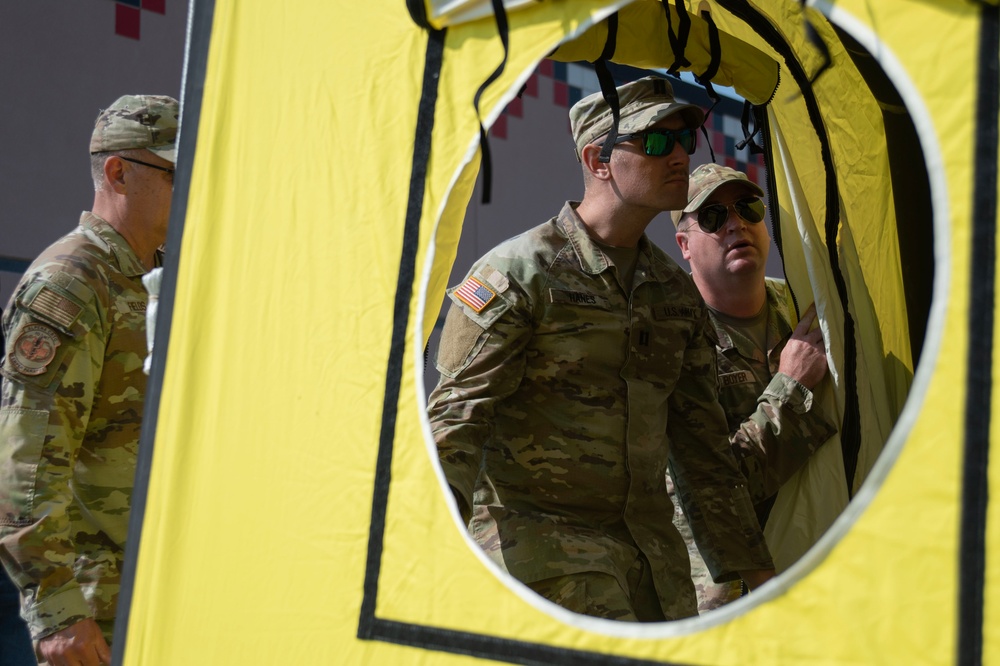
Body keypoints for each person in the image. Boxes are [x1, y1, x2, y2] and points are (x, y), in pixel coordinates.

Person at [426, 76, 774, 623]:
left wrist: (756, 577)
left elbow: (703, 455)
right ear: (599, 160)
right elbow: (456, 425)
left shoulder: (674, 294)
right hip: (545, 566)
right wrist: (432, 562)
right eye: (656, 142)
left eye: (684, 139)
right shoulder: (519, 273)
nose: (679, 154)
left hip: (656, 580)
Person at [0, 94, 179, 665]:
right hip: (97, 603)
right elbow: (26, 460)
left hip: (163, 587)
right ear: (117, 171)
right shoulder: (73, 283)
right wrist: (56, 608)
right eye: (176, 173)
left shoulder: (162, 277)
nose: (192, 191)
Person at [670, 163, 837, 611]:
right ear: (684, 245)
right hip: (728, 596)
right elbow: (704, 486)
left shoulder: (807, 307)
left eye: (748, 208)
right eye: (712, 217)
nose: (735, 224)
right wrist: (791, 387)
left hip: (823, 569)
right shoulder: (668, 334)